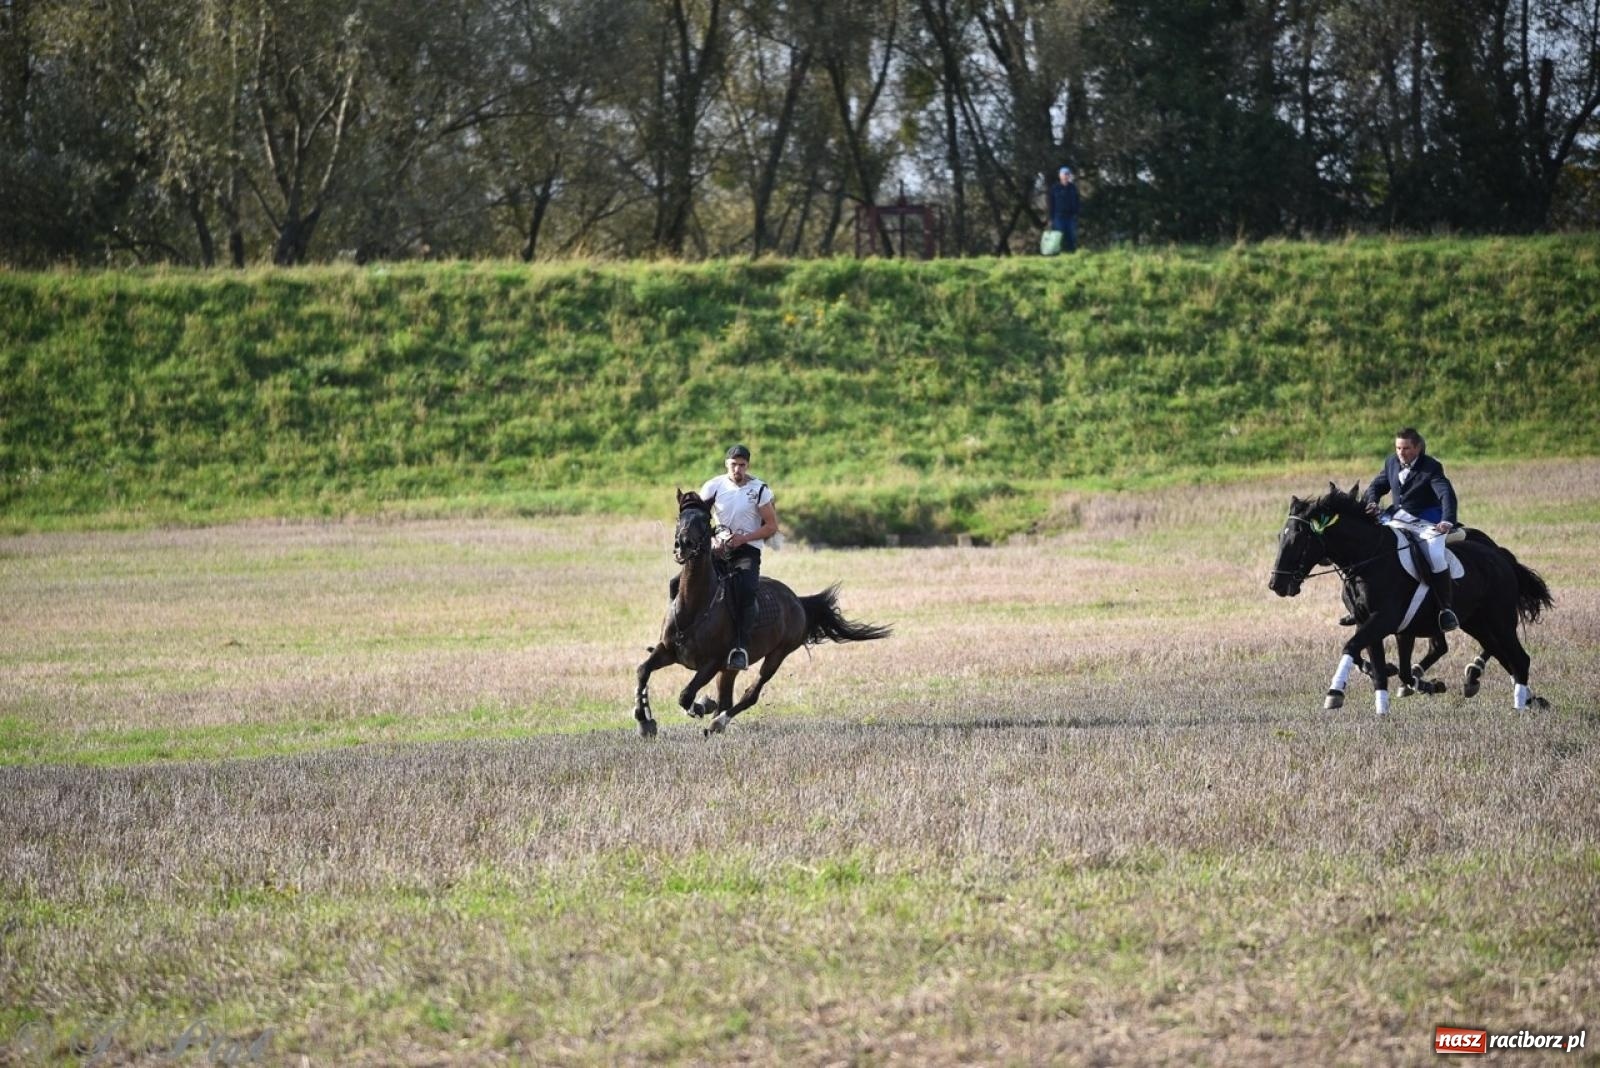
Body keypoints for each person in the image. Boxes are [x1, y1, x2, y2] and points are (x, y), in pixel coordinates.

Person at [1358, 427, 1460, 631]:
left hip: (1426, 521)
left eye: (1405, 448)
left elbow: (1445, 494)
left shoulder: (1431, 467)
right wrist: (1371, 501)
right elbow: (1376, 487)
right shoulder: (1390, 462)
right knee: (1369, 543)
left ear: (1417, 448)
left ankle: (1445, 609)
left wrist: (1448, 520)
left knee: (1436, 555)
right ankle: (1362, 603)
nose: (1401, 453)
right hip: (1396, 518)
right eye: (1398, 448)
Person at [699, 444, 779, 670]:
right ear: (726, 464)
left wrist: (744, 539)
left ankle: (741, 648)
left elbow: (772, 526)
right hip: (718, 548)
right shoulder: (713, 486)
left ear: (748, 465)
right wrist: (713, 540)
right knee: (681, 582)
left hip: (747, 551)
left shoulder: (759, 489)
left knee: (745, 590)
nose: (738, 469)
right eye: (734, 464)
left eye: (742, 465)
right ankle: (675, 634)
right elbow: (699, 517)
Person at [1048, 166, 1080, 253]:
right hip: (1058, 216)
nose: (1066, 176)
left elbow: (1077, 201)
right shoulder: (1055, 188)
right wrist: (1051, 218)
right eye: (1064, 174)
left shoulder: (1073, 188)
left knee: (1072, 236)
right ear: (1060, 176)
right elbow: (1051, 204)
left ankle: (1072, 253)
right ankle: (1058, 254)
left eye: (1068, 174)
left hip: (1071, 216)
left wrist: (1076, 213)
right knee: (1059, 236)